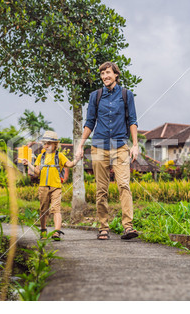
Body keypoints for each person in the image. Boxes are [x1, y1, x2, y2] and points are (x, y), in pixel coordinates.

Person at [75, 61, 139, 240]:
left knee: (124, 185)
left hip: (120, 146)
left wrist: (135, 144)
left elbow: (132, 120)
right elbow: (89, 122)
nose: (105, 76)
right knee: (101, 189)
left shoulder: (127, 95)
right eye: (102, 74)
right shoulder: (95, 96)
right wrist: (81, 145)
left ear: (116, 75)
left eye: (108, 73)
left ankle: (128, 227)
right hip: (99, 147)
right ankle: (103, 227)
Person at [23, 130, 79, 241]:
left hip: (56, 187)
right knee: (43, 210)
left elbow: (70, 164)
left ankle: (56, 232)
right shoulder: (40, 157)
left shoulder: (60, 156)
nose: (46, 145)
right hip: (43, 187)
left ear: (55, 145)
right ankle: (43, 230)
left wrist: (77, 159)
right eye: (45, 143)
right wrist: (28, 163)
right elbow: (37, 172)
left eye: (49, 143)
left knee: (56, 209)